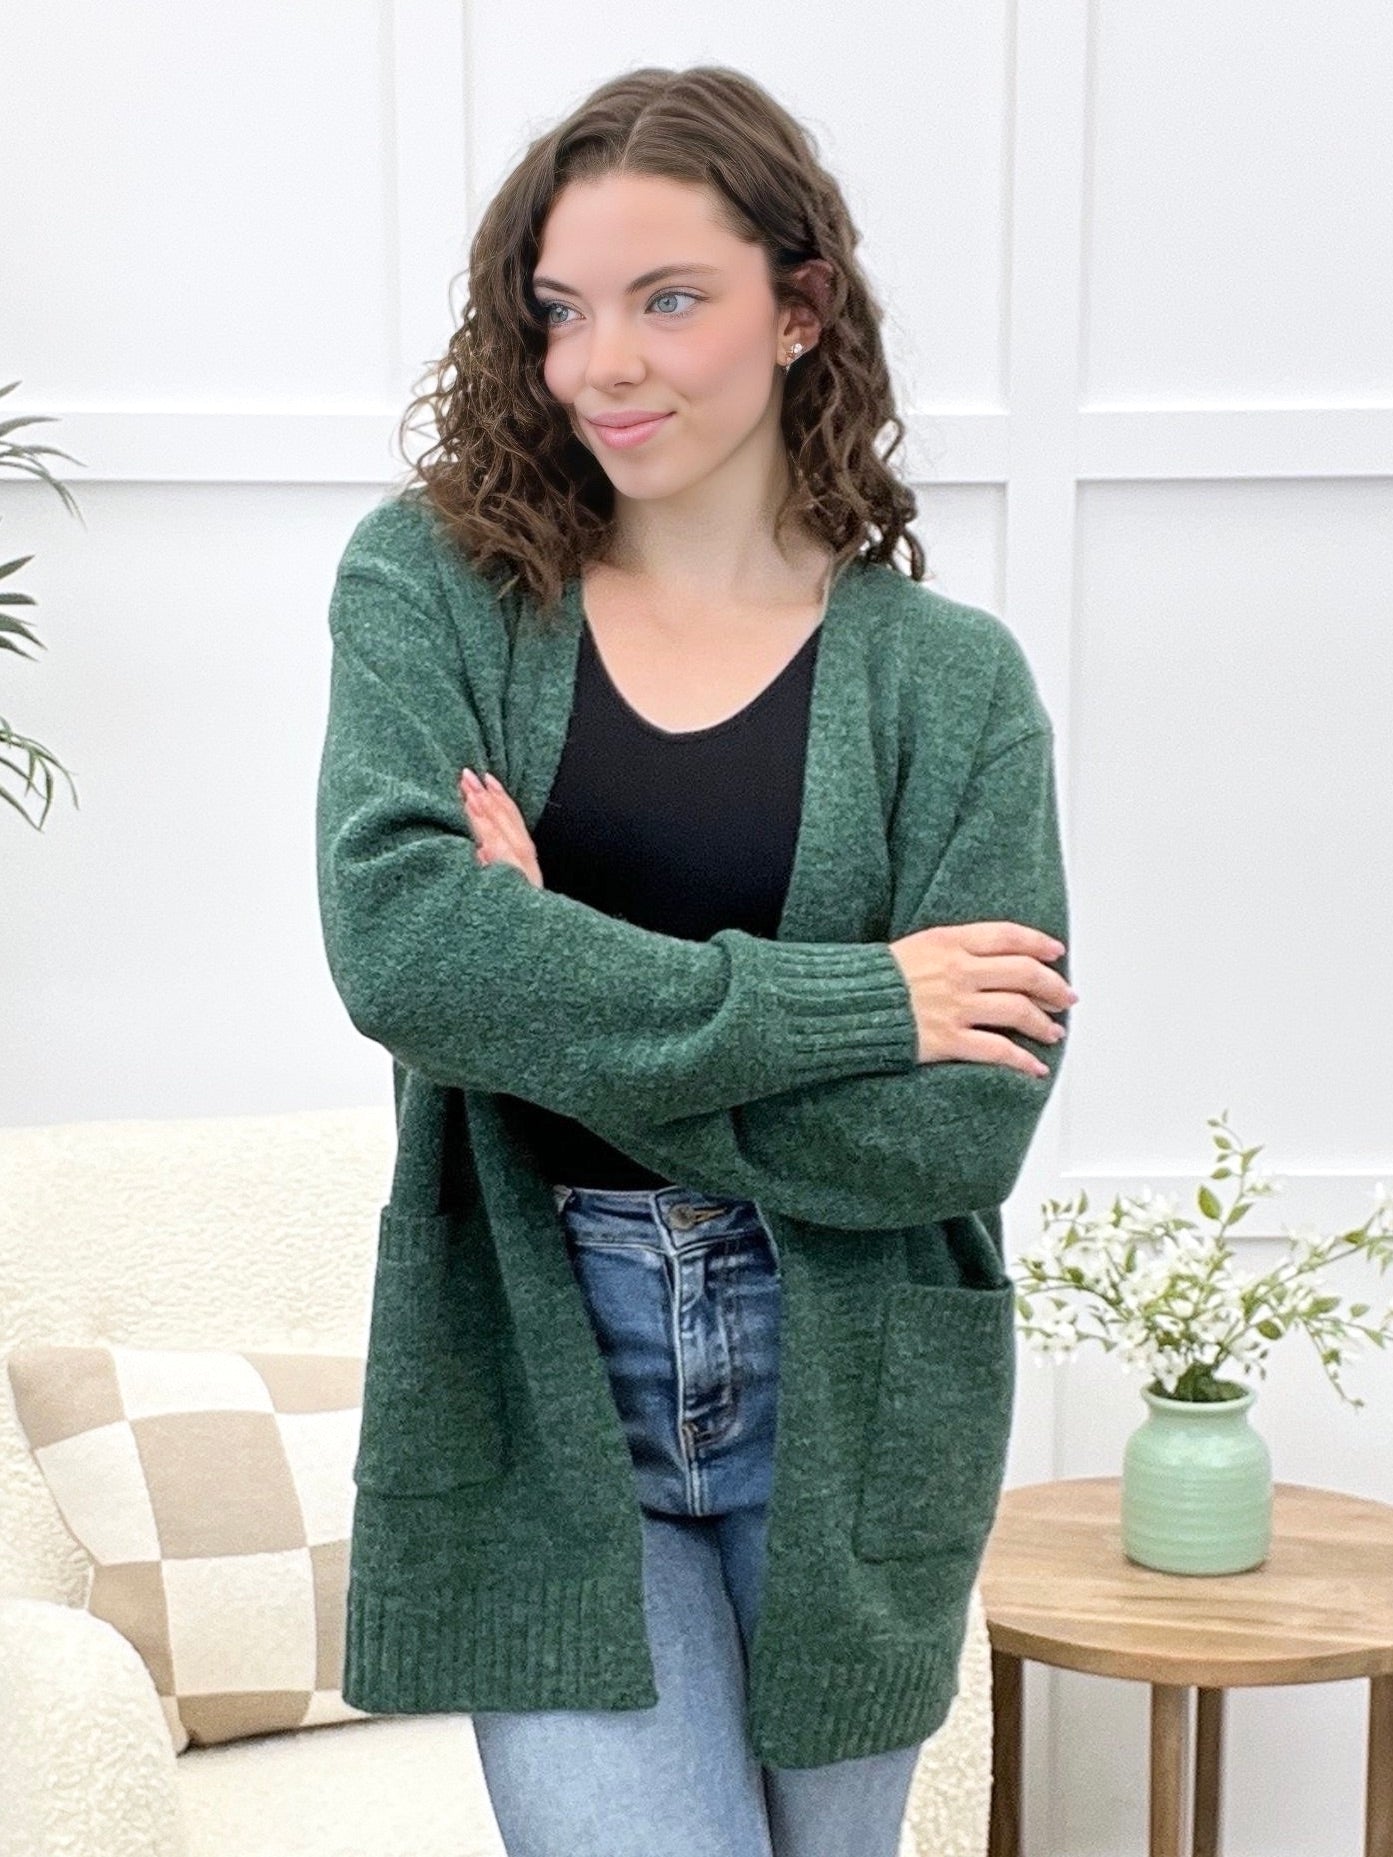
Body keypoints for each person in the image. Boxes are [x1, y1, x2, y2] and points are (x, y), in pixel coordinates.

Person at [315, 62, 1074, 1857]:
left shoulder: (949, 683)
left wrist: (546, 985)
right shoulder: (434, 589)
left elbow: (957, 1132)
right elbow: (406, 951)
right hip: (542, 1358)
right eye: (561, 311)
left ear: (798, 308)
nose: (601, 364)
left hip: (850, 1389)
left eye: (668, 300)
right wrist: (863, 999)